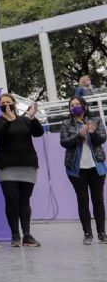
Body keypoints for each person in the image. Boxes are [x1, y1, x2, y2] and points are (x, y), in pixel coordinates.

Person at [0, 94, 44, 247]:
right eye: (3, 103)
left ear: (14, 103)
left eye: (9, 102)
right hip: (6, 166)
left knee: (24, 200)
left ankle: (27, 234)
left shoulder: (25, 120)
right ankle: (15, 235)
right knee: (12, 199)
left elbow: (38, 133)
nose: (6, 105)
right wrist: (8, 121)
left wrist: (33, 118)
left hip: (27, 165)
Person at [59, 96, 107, 244]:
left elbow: (102, 139)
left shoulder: (96, 120)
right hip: (76, 169)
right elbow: (64, 142)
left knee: (98, 200)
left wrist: (92, 132)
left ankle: (102, 233)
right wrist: (79, 136)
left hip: (96, 167)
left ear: (84, 106)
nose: (74, 107)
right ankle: (87, 233)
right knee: (83, 201)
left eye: (77, 104)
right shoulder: (66, 123)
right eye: (72, 105)